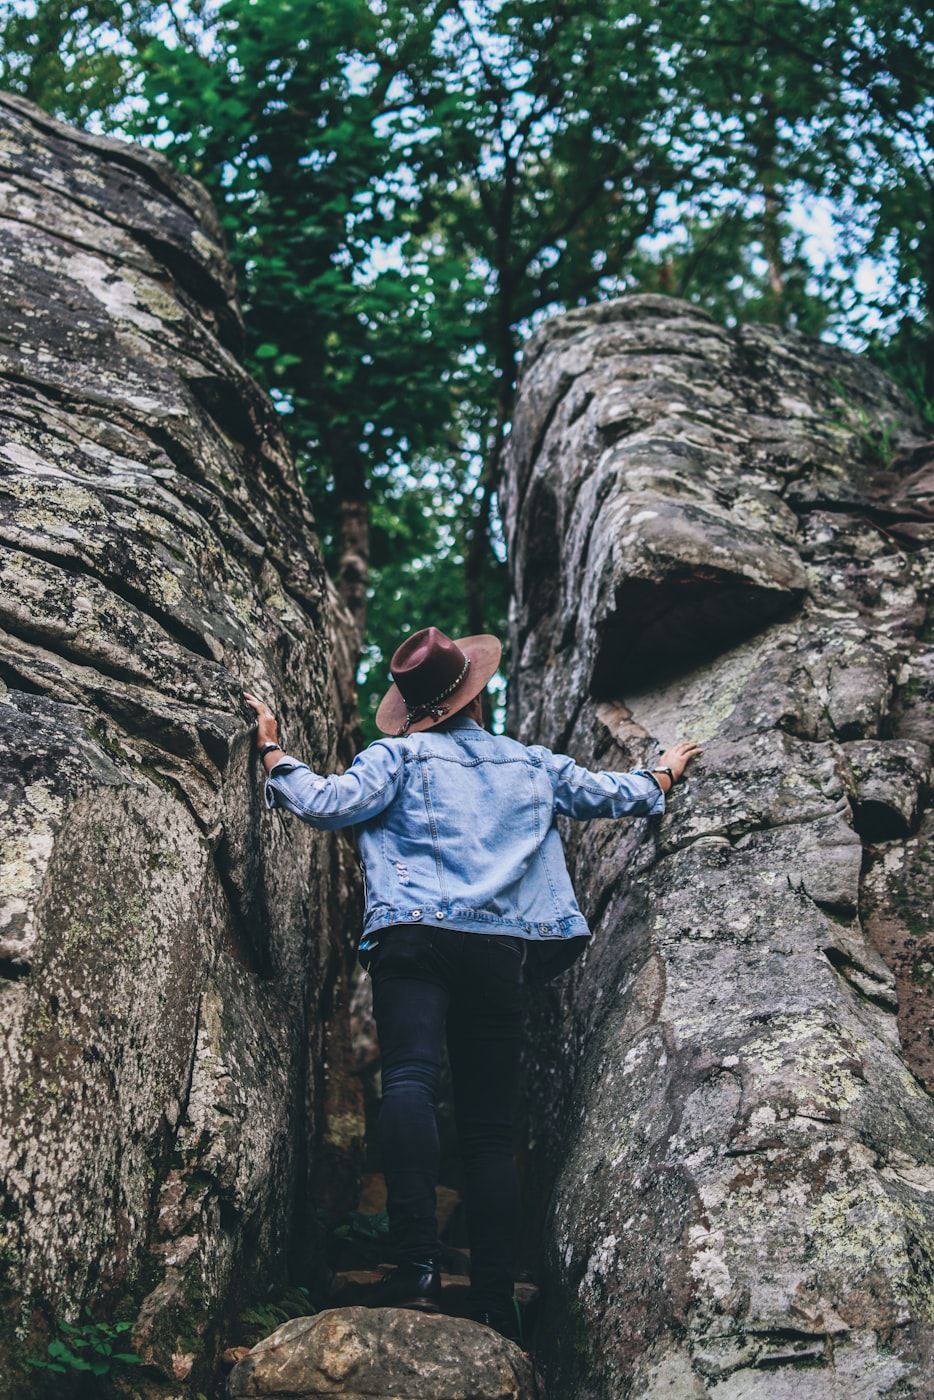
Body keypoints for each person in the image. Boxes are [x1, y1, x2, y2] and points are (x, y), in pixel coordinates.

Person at [244, 626, 701, 1338]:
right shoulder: (532, 764)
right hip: (498, 949)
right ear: (475, 695)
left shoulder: (394, 756)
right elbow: (610, 795)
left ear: (416, 707)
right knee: (490, 1128)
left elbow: (327, 803)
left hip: (413, 937)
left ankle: (415, 1266)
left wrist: (273, 749)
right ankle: (493, 1293)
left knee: (409, 1083)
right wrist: (663, 774)